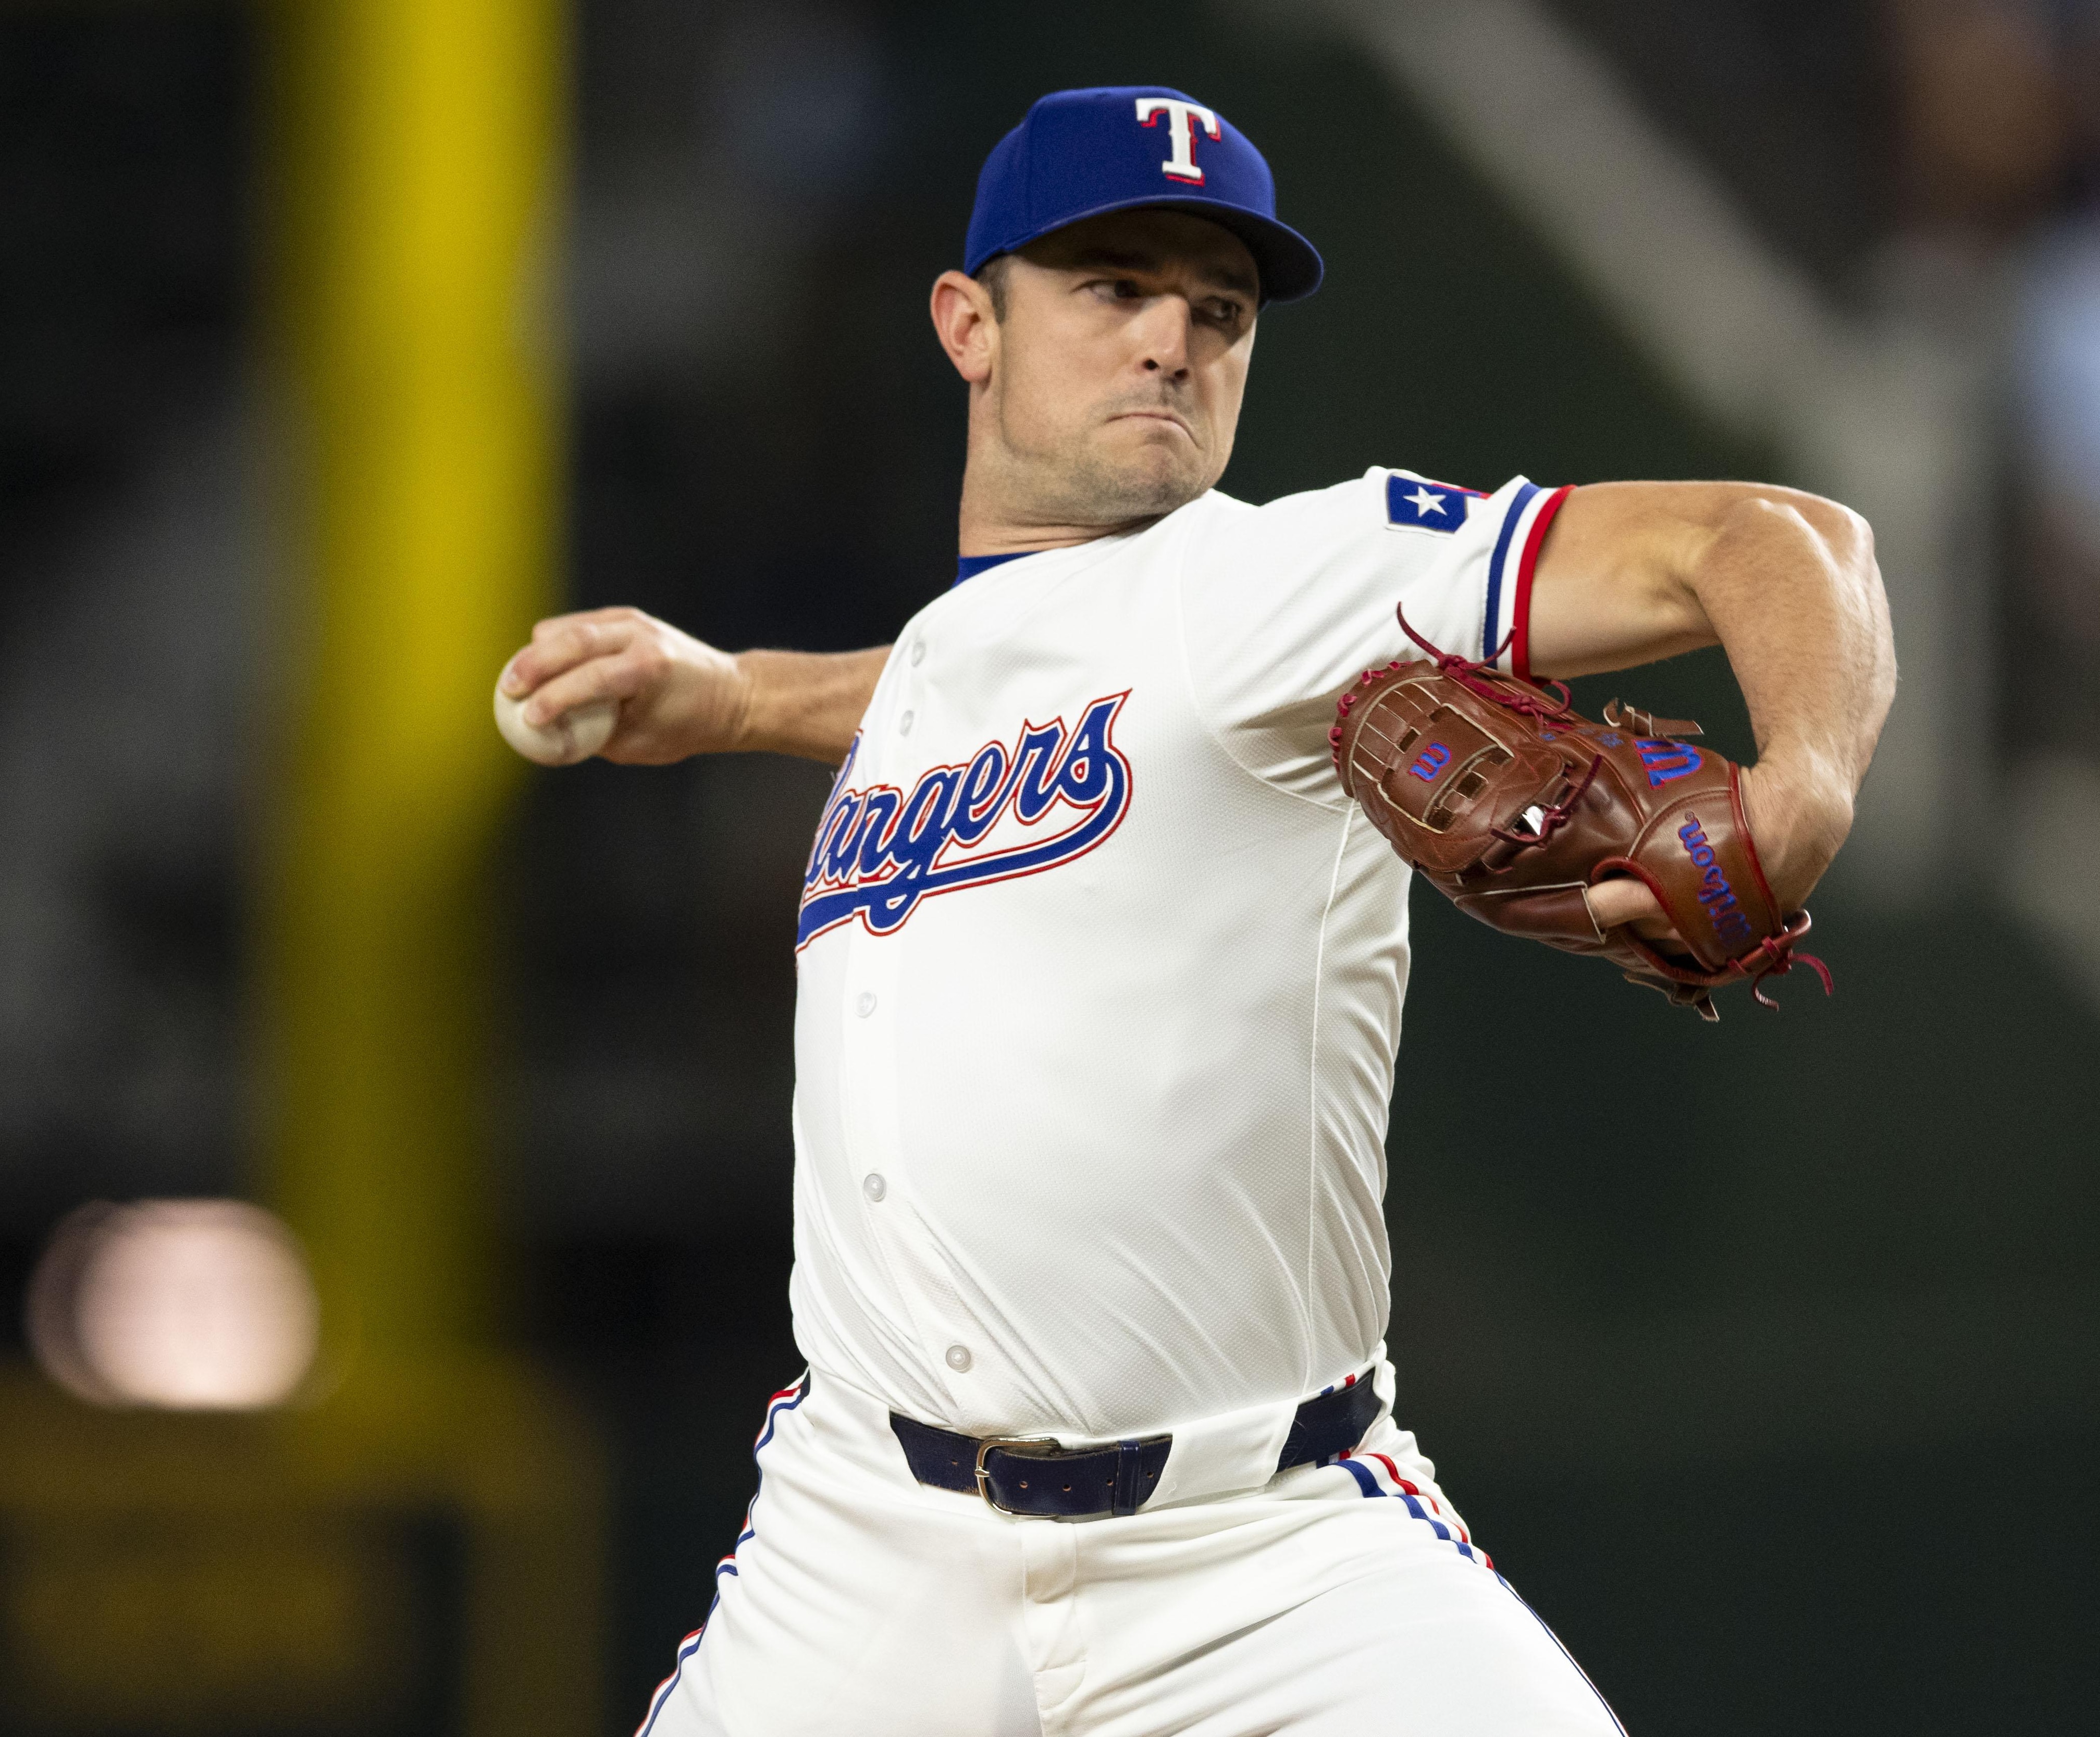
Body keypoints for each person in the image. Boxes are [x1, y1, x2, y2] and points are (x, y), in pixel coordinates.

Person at [503, 85, 1893, 1736]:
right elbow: (987, 674)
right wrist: (737, 696)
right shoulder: (962, 661)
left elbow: (1780, 536)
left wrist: (1805, 781)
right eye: (1111, 288)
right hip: (867, 1548)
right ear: (970, 325)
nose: (1171, 339)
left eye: (1217, 311)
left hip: (1260, 1553)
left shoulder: (1284, 582)